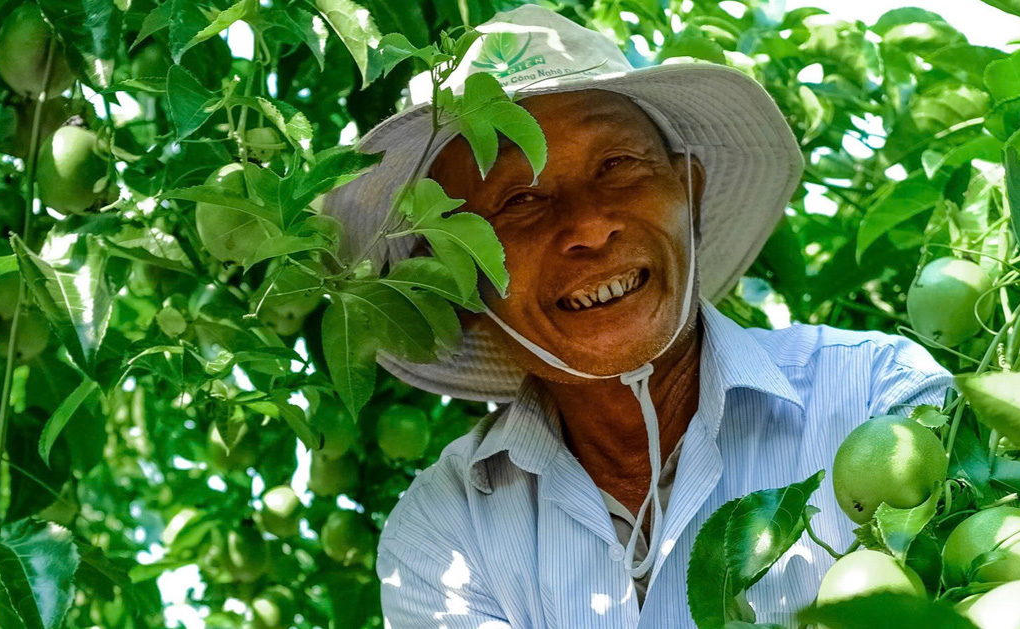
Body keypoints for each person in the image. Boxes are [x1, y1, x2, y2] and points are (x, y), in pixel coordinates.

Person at [324, 5, 951, 627]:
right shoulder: (448, 533)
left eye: (617, 165)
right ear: (454, 280)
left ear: (690, 194)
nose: (591, 227)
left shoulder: (880, 401)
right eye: (518, 200)